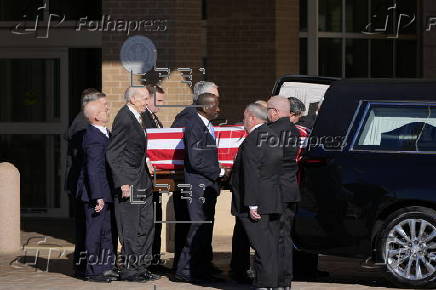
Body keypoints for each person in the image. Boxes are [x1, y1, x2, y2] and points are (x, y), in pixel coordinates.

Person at [106, 87, 160, 282]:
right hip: (130, 182)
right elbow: (114, 153)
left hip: (143, 180)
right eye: (145, 98)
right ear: (133, 99)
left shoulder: (139, 116)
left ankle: (142, 266)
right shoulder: (124, 118)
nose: (148, 102)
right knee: (131, 227)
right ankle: (130, 270)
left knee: (145, 225)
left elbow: (136, 149)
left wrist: (147, 162)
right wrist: (123, 183)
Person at [173, 93, 227, 282]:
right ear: (204, 108)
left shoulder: (206, 125)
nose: (218, 109)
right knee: (197, 228)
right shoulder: (194, 125)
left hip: (206, 185)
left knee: (204, 228)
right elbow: (196, 160)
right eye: (215, 105)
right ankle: (184, 271)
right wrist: (219, 172)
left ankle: (200, 268)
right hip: (198, 185)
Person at [231, 102, 283, 289]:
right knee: (269, 246)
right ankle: (271, 283)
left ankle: (264, 283)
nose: (243, 121)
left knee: (261, 247)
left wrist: (252, 204)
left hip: (257, 202)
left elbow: (252, 173)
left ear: (252, 118)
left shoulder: (253, 139)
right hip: (272, 199)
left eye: (245, 117)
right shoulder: (272, 136)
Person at [64, 88, 109, 278]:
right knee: (88, 229)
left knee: (88, 229)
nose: (107, 108)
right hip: (86, 185)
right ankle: (86, 267)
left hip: (89, 183)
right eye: (103, 104)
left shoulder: (85, 122)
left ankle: (85, 266)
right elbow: (87, 160)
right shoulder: (83, 125)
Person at [289, 97, 329, 280]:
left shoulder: (306, 127)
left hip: (302, 186)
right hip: (302, 186)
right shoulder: (307, 128)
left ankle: (305, 269)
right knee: (302, 229)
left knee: (302, 229)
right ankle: (305, 270)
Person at [78, 101, 118, 282]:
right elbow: (93, 169)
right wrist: (97, 196)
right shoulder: (93, 137)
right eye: (104, 110)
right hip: (97, 194)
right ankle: (93, 271)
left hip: (107, 191)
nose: (108, 110)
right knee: (95, 233)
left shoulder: (104, 133)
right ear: (95, 116)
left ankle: (106, 267)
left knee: (107, 232)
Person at [267, 96, 300, 289]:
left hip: (274, 191)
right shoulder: (294, 131)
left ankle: (275, 280)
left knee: (273, 238)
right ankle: (285, 281)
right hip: (289, 189)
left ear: (275, 111)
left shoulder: (270, 132)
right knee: (285, 237)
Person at [141, 84, 167, 270]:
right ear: (147, 99)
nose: (161, 105)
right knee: (149, 222)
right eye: (159, 101)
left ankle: (155, 259)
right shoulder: (143, 118)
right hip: (147, 179)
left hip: (157, 179)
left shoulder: (154, 118)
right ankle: (149, 261)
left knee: (156, 220)